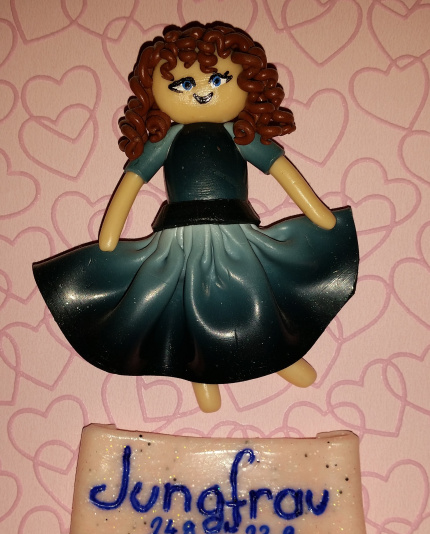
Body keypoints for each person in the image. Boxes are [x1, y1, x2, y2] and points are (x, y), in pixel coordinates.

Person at [33, 24, 358, 412]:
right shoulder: (165, 141)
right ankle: (201, 372)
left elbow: (281, 170)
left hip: (235, 231)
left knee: (256, 295)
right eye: (182, 85)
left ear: (248, 83)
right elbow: (132, 181)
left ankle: (281, 358)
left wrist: (317, 211)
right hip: (180, 237)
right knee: (185, 303)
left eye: (219, 80)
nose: (203, 91)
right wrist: (110, 233)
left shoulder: (240, 135)